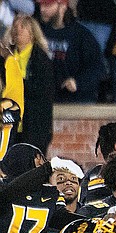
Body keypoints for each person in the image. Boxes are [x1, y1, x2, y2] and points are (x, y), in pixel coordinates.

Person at [37, 0, 106, 103]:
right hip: (45, 99)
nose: (42, 9)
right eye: (40, 5)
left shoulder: (81, 35)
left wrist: (78, 82)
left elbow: (97, 67)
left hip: (75, 101)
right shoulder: (38, 31)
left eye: (47, 5)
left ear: (62, 6)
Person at [7, 14, 54, 152]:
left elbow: (42, 90)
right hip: (8, 123)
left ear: (32, 33)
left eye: (23, 27)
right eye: (15, 27)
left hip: (33, 125)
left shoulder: (41, 59)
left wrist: (17, 82)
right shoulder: (6, 56)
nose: (18, 30)